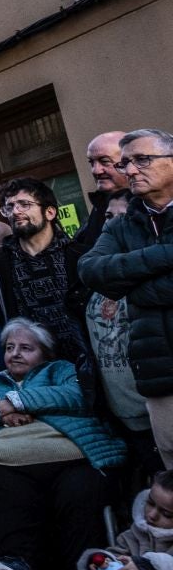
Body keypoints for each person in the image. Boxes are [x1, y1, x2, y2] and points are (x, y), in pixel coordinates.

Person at [0, 318, 124, 570]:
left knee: (81, 491)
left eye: (26, 348)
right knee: (7, 491)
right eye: (9, 347)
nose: (15, 353)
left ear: (44, 353)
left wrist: (15, 401)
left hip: (71, 458)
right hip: (6, 462)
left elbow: (78, 396)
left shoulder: (62, 371)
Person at [81, 128, 173, 468]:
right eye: (127, 162)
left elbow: (115, 276)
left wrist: (134, 287)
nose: (130, 170)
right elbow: (91, 271)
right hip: (158, 380)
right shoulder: (122, 224)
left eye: (142, 160)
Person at [0, 178, 92, 382]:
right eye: (9, 207)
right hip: (30, 378)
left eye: (25, 204)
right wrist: (9, 370)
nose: (16, 211)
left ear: (50, 212)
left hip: (86, 367)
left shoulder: (80, 256)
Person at [79, 470, 173, 570]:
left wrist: (148, 568)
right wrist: (101, 564)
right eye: (150, 503)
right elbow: (115, 554)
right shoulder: (138, 532)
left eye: (166, 514)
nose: (152, 515)